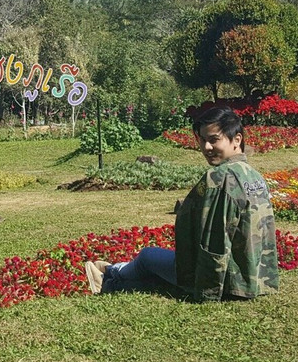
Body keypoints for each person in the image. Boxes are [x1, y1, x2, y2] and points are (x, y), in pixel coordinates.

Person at [85, 106, 279, 301]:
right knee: (155, 274)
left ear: (237, 140)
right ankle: (115, 275)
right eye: (203, 140)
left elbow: (214, 240)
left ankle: (111, 274)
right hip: (253, 278)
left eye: (214, 140)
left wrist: (207, 291)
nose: (207, 148)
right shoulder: (255, 176)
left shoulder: (220, 178)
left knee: (147, 256)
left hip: (227, 281)